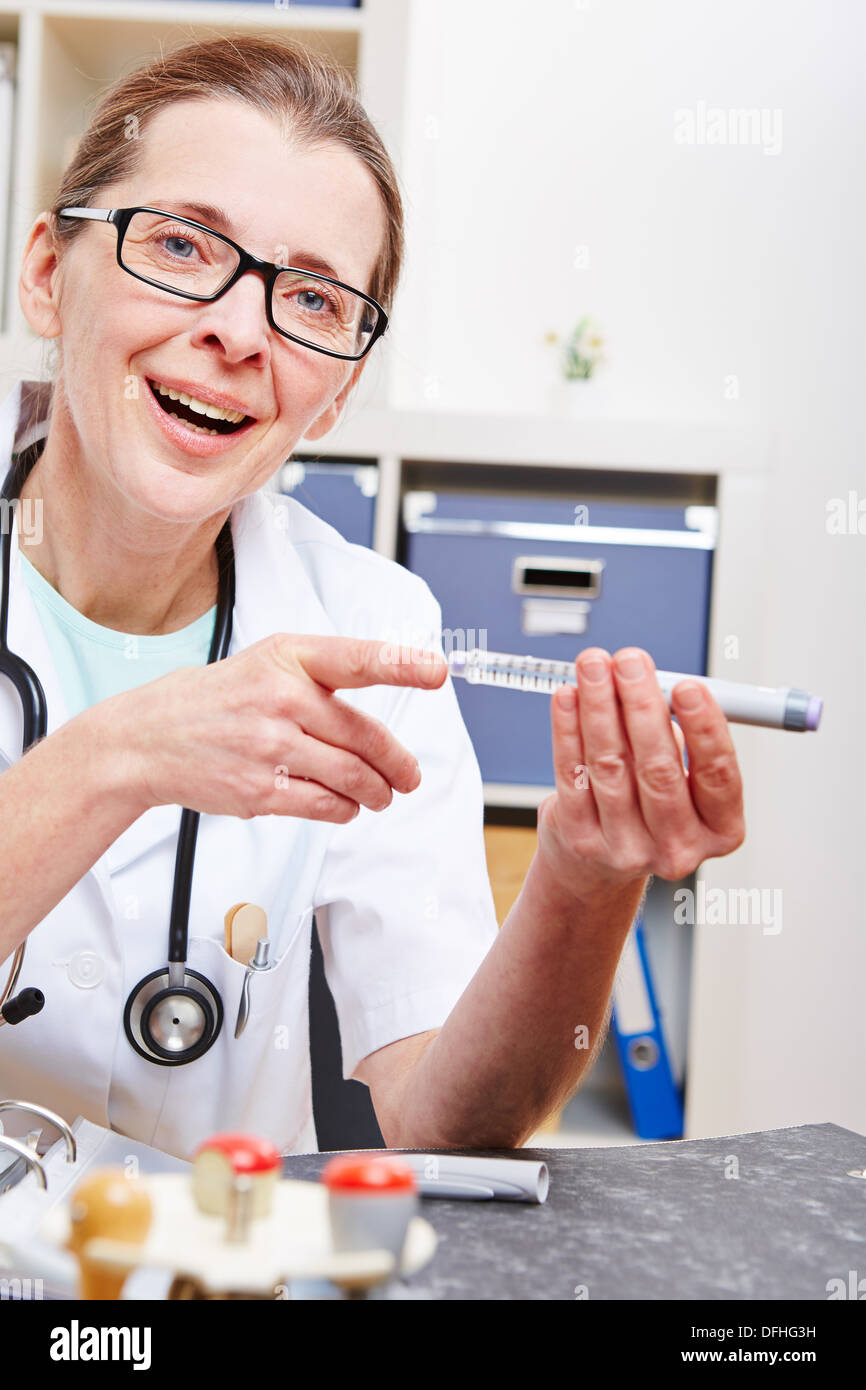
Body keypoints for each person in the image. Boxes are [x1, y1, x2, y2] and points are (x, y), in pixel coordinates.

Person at [0, 35, 744, 1161]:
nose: (240, 332)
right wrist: (118, 756)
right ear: (49, 274)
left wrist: (586, 882)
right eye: (182, 244)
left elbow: (440, 1118)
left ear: (339, 389)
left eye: (310, 297)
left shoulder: (370, 627)